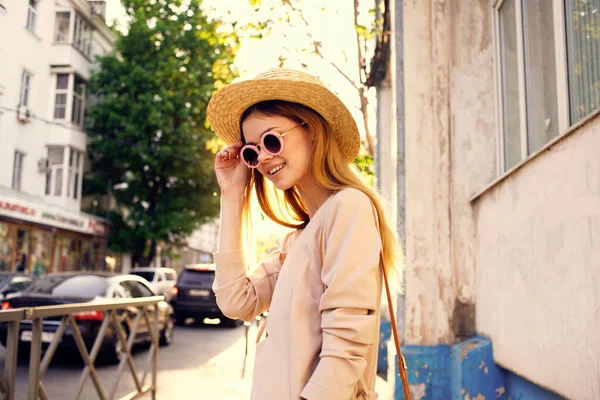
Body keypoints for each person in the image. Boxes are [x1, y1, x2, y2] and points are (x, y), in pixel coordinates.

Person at [208, 68, 403, 400]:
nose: (265, 158)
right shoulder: (298, 240)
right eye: (253, 152)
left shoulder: (349, 208)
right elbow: (235, 301)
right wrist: (231, 194)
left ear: (311, 131)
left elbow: (346, 349)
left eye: (271, 139)